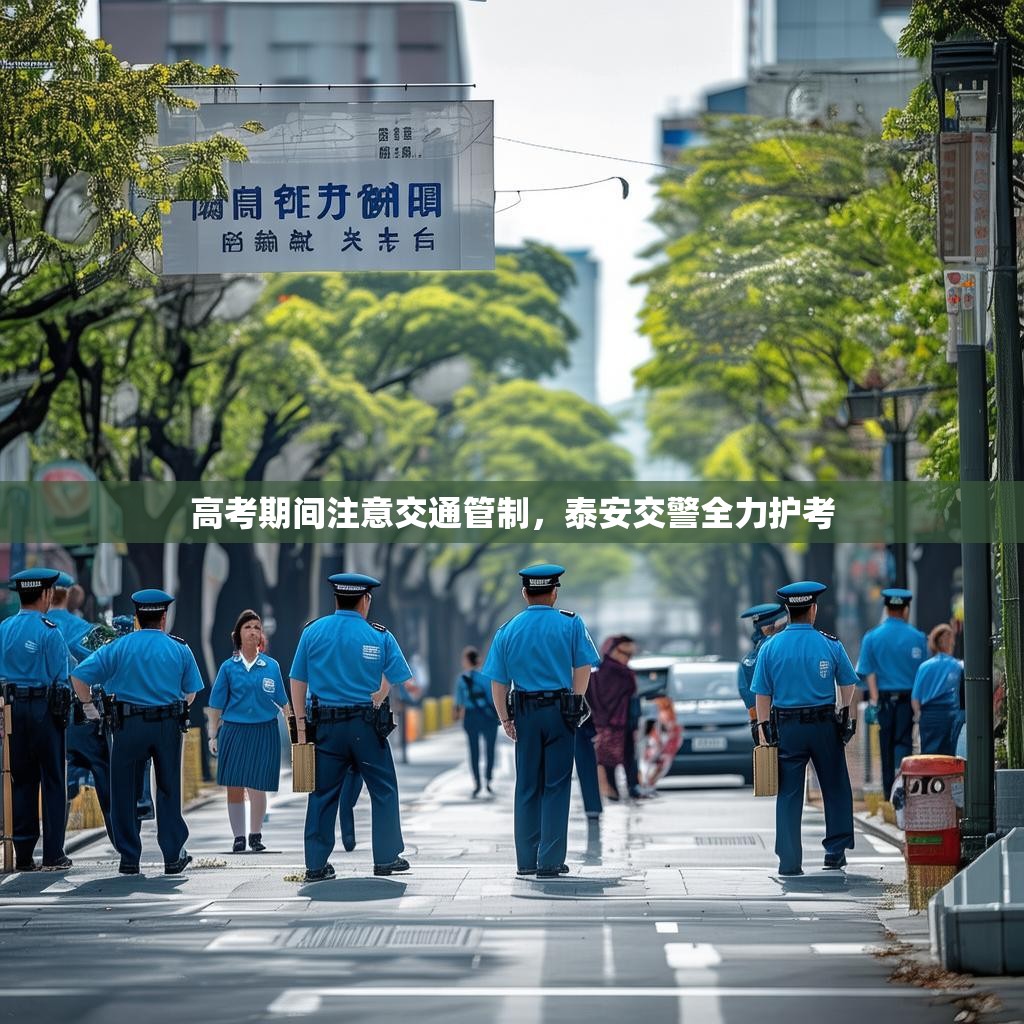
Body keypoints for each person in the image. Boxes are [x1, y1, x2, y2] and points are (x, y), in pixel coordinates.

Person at [290, 572, 414, 882]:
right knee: (383, 789)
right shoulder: (379, 635)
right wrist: (379, 695)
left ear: (336, 598)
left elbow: (297, 679)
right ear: (365, 600)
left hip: (325, 727)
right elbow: (398, 675)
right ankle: (386, 858)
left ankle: (315, 864)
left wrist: (301, 725)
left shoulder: (312, 632)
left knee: (321, 793)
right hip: (366, 726)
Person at [71, 588, 204, 875]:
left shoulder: (119, 647)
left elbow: (79, 676)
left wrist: (89, 708)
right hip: (167, 725)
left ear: (136, 617)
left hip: (127, 726)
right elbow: (191, 692)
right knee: (168, 789)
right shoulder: (179, 648)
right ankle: (172, 856)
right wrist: (175, 704)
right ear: (164, 617)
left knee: (124, 790)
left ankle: (129, 857)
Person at [482, 563, 600, 879]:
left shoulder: (507, 630)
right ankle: (550, 860)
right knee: (557, 785)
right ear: (554, 593)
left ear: (525, 593)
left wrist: (505, 718)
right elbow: (584, 666)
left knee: (527, 785)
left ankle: (526, 860)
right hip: (561, 711)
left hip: (525, 712)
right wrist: (576, 700)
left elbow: (498, 681)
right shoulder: (570, 623)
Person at [751, 580, 859, 876]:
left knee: (789, 793)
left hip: (788, 727)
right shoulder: (830, 644)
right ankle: (835, 852)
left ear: (788, 611)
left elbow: (762, 693)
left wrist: (763, 727)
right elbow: (848, 683)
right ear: (813, 609)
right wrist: (845, 712)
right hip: (824, 725)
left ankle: (789, 860)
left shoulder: (770, 647)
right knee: (834, 786)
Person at [0, 568, 73, 871]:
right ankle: (54, 854)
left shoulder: (3, 629)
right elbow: (61, 676)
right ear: (46, 594)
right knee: (53, 780)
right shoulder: (49, 630)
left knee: (21, 780)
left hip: (11, 709)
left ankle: (23, 855)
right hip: (45, 710)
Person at [207, 609, 289, 853]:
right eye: (248, 627)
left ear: (261, 635)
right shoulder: (228, 668)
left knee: (257, 784)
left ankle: (255, 835)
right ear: (238, 634)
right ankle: (238, 837)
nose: (253, 631)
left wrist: (296, 732)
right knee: (234, 784)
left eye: (257, 627)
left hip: (264, 730)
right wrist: (212, 735)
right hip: (234, 730)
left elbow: (284, 702)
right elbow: (216, 704)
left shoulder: (271, 666)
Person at [48, 572, 116, 844]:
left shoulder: (36, 627)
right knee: (104, 772)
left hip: (43, 714)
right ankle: (123, 845)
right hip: (81, 714)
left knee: (52, 779)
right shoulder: (85, 628)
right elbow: (108, 665)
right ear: (68, 594)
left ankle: (54, 848)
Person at [856, 587, 927, 798]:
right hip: (908, 700)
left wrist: (875, 699)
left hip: (884, 701)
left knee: (885, 746)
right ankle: (904, 788)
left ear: (886, 609)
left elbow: (868, 672)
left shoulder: (871, 637)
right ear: (905, 609)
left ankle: (889, 792)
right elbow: (922, 673)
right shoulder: (918, 638)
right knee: (904, 743)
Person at [587, 635, 637, 801]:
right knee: (612, 758)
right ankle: (616, 790)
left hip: (617, 722)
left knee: (619, 757)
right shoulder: (614, 672)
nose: (627, 658)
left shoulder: (611, 671)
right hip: (614, 723)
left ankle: (620, 789)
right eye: (625, 653)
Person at [454, 645, 500, 797]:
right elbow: (493, 697)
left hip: (471, 716)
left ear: (467, 661)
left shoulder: (462, 679)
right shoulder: (487, 677)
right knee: (490, 749)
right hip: (488, 716)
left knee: (473, 750)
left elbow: (459, 702)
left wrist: (458, 717)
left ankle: (477, 782)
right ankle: (488, 779)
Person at [911, 624, 964, 756]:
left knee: (928, 755)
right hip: (950, 714)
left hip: (928, 716)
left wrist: (919, 716)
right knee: (948, 755)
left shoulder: (924, 667)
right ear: (950, 643)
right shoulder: (957, 666)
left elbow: (915, 698)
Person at [737, 602, 788, 716]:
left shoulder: (752, 654)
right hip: (780, 713)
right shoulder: (775, 647)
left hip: (762, 716)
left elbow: (744, 688)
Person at [639, 695, 682, 792]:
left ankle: (648, 785)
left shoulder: (668, 708)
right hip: (652, 739)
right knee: (646, 762)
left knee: (662, 763)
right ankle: (643, 785)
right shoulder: (656, 707)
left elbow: (672, 728)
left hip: (663, 739)